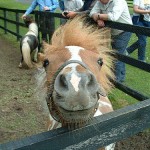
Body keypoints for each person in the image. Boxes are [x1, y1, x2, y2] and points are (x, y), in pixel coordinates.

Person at [89, 0, 132, 83]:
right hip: (114, 31)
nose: (99, 1)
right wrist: (98, 19)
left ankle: (117, 80)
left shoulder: (119, 1)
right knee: (118, 53)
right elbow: (92, 12)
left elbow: (113, 17)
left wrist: (98, 16)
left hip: (124, 31)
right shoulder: (100, 2)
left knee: (116, 54)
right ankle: (121, 77)